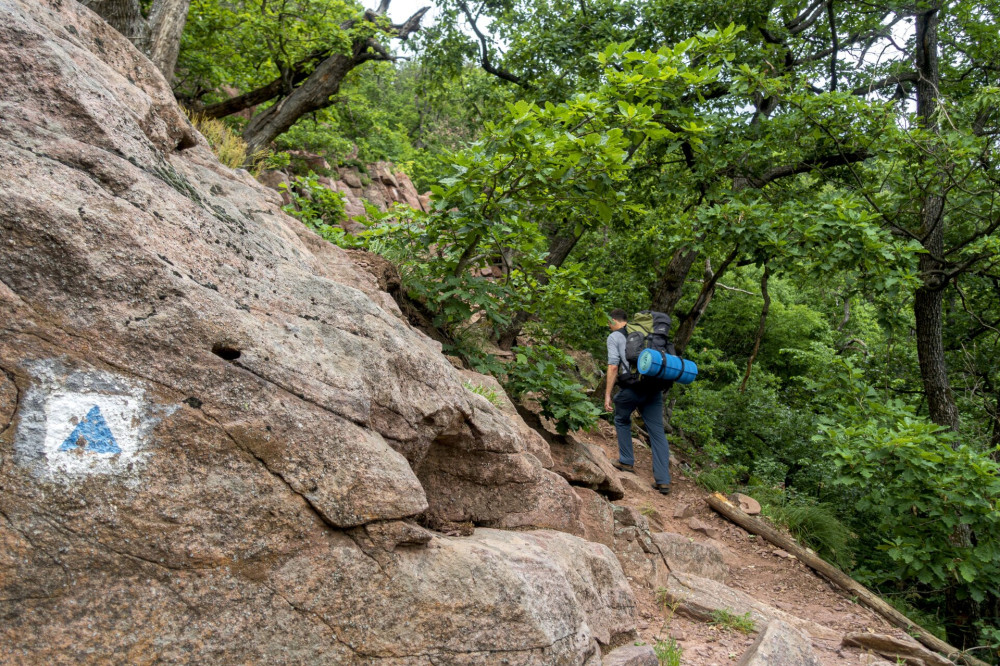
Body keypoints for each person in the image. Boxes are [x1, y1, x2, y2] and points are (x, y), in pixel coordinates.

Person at [604, 308, 672, 494]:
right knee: (657, 432)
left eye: (608, 322)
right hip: (654, 389)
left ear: (613, 320)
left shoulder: (615, 336)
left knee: (621, 418)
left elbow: (613, 366)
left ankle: (626, 461)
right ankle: (663, 481)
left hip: (633, 388)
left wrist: (608, 394)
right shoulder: (652, 336)